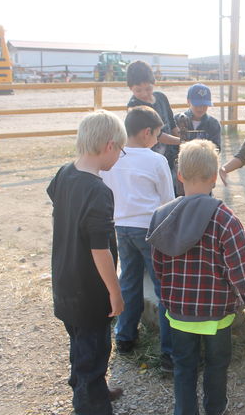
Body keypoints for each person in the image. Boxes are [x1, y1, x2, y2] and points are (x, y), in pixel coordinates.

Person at [146, 139, 245, 415]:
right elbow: (240, 267)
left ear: (180, 175)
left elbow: (157, 266)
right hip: (217, 314)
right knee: (217, 366)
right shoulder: (226, 219)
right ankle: (215, 409)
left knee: (184, 367)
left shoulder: (161, 215)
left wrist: (169, 295)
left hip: (180, 312)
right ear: (214, 178)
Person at [47, 110, 127, 415]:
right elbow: (100, 250)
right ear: (109, 146)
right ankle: (89, 401)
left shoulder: (64, 174)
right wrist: (115, 292)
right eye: (120, 150)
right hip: (90, 291)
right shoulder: (99, 191)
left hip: (64, 280)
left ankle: (87, 383)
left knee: (80, 342)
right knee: (93, 351)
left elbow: (57, 201)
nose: (119, 156)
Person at [99, 106, 175, 371]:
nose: (158, 138)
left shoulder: (113, 156)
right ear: (146, 133)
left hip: (121, 227)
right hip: (150, 229)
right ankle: (169, 353)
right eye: (157, 134)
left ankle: (125, 337)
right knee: (163, 288)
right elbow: (167, 200)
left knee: (128, 282)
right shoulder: (155, 160)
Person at [126, 60, 182, 185]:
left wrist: (182, 141)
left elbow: (172, 123)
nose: (144, 94)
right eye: (138, 90)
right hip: (148, 159)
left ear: (154, 83)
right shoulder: (134, 107)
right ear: (130, 88)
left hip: (171, 155)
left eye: (148, 88)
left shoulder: (161, 98)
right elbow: (157, 135)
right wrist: (182, 141)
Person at [173, 83, 221, 196]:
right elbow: (172, 148)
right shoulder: (177, 121)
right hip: (183, 169)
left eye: (204, 105)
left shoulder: (213, 124)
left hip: (203, 170)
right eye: (197, 105)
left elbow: (217, 148)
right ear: (188, 101)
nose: (201, 108)